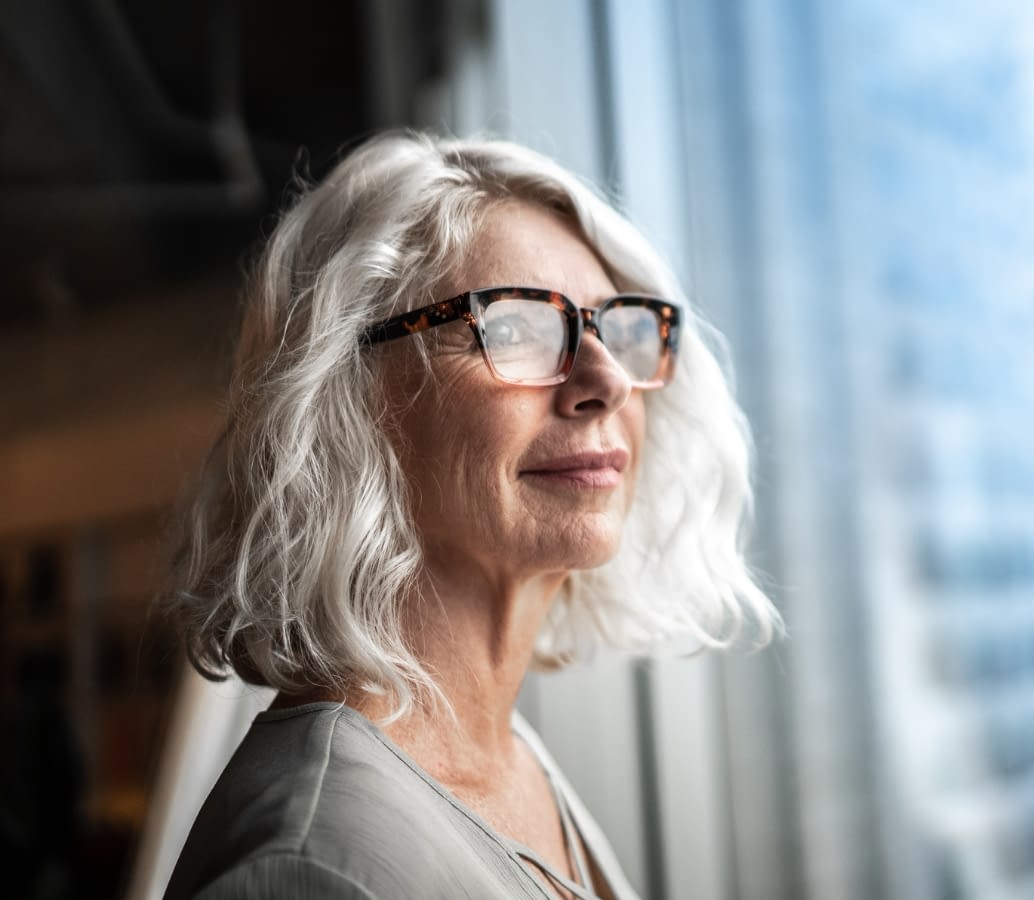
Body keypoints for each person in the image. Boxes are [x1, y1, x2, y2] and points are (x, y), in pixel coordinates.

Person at [160, 131, 778, 899]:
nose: (607, 381)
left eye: (616, 328)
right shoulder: (312, 865)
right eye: (515, 328)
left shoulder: (498, 757)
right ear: (347, 395)